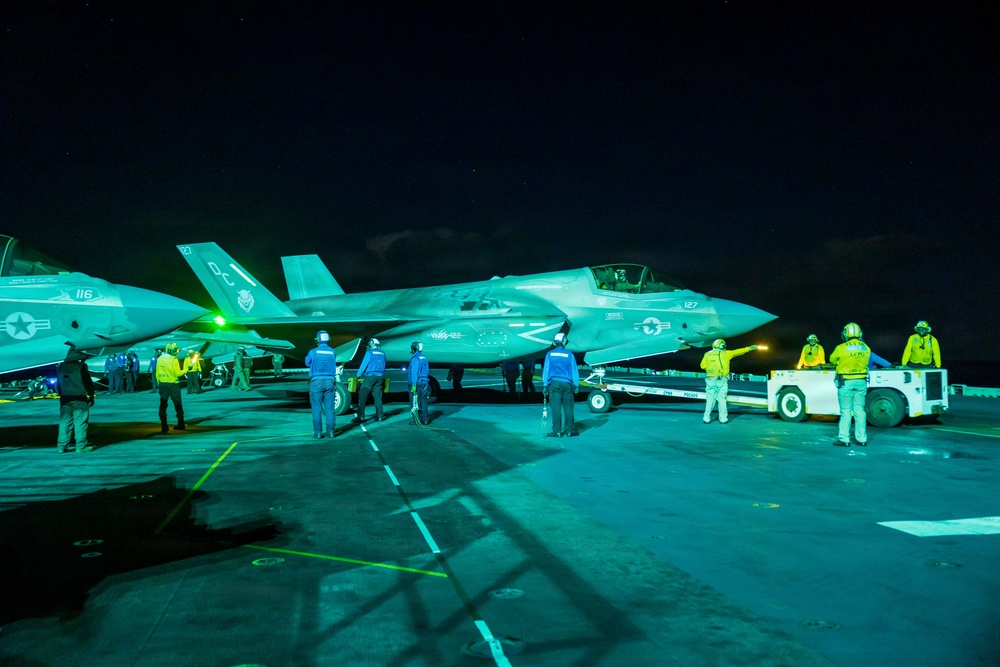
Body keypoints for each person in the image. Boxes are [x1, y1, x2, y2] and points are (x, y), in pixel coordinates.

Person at [829, 322, 871, 447]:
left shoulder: (841, 348)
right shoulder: (866, 348)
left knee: (846, 411)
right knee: (859, 410)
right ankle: (862, 438)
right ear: (860, 333)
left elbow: (832, 359)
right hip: (861, 382)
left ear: (846, 333)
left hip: (846, 382)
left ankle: (844, 439)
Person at [700, 339, 758, 424]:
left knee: (710, 400)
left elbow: (702, 366)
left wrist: (712, 367)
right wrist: (750, 348)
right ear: (722, 346)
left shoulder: (707, 354)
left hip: (710, 379)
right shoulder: (726, 353)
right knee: (722, 400)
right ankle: (723, 419)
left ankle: (706, 418)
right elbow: (738, 351)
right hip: (722, 379)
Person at [542, 332, 580, 437]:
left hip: (554, 384)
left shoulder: (550, 354)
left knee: (556, 408)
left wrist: (545, 385)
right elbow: (574, 371)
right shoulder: (569, 355)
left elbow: (546, 370)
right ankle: (570, 431)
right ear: (564, 341)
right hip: (567, 384)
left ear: (555, 342)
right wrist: (576, 385)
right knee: (568, 407)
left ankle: (557, 431)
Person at [55, 358, 95, 453]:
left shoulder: (60, 367)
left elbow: (57, 384)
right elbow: (87, 382)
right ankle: (81, 446)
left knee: (64, 422)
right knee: (80, 422)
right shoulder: (80, 366)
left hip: (65, 398)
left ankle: (61, 446)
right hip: (79, 397)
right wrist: (91, 395)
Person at [305, 330, 337, 438]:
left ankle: (318, 433)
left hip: (317, 382)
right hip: (330, 382)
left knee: (316, 408)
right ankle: (331, 432)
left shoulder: (313, 352)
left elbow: (307, 362)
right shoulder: (333, 351)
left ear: (318, 339)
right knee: (329, 408)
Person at [156, 342, 189, 433]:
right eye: (176, 350)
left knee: (163, 405)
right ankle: (181, 424)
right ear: (171, 351)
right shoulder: (174, 359)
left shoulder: (160, 358)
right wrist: (187, 369)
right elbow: (178, 373)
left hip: (162, 384)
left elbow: (157, 372)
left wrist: (159, 382)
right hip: (173, 384)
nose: (177, 352)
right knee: (178, 404)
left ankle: (164, 426)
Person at [353, 338, 386, 423]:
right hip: (380, 378)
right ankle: (379, 417)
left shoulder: (369, 353)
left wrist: (358, 375)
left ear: (372, 344)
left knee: (362, 395)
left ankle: (360, 416)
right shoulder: (383, 353)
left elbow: (364, 364)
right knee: (378, 397)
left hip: (370, 377)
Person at [407, 341, 430, 425]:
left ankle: (417, 419)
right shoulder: (424, 357)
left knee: (414, 401)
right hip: (425, 381)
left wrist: (413, 385)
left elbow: (414, 373)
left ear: (415, 347)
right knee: (423, 401)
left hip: (417, 382)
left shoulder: (415, 358)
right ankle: (425, 419)